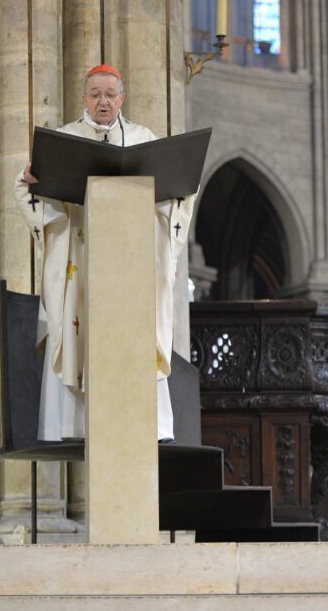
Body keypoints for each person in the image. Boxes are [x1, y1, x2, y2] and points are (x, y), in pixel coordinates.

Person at [14, 64, 194, 442]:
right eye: (95, 94)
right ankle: (74, 425)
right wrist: (36, 183)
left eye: (110, 94)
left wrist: (173, 204)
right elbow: (28, 188)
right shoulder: (64, 139)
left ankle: (146, 423)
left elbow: (176, 195)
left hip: (131, 267)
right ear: (83, 98)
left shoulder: (143, 139)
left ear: (122, 98)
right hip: (80, 257)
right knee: (77, 328)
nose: (103, 101)